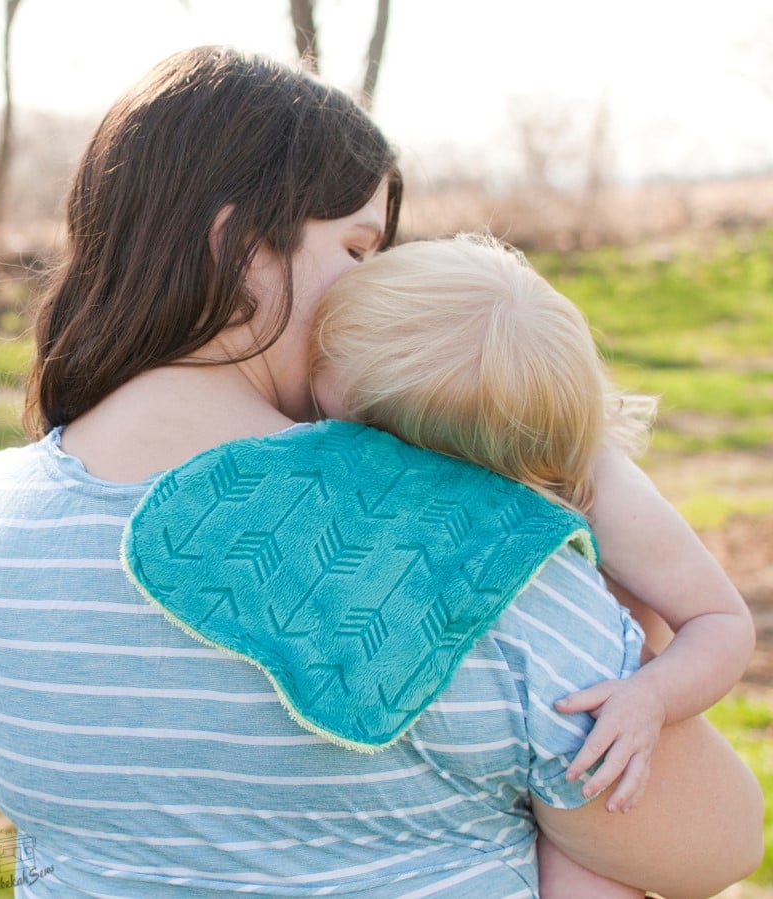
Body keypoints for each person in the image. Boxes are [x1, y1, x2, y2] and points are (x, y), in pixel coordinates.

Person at [0, 45, 761, 898]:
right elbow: (719, 842)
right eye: (358, 248)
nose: (377, 285)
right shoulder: (453, 545)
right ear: (239, 246)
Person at [310, 233, 757, 893]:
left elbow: (722, 620)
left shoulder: (601, 485)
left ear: (443, 460)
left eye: (339, 419)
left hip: (601, 729)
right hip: (519, 739)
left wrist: (652, 697)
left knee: (592, 862)